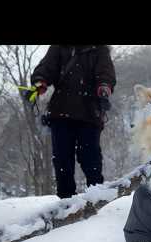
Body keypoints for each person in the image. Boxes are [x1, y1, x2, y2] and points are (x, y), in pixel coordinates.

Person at [30, 45, 116, 198]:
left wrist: (104, 88)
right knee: (62, 159)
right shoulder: (59, 47)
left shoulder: (99, 49)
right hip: (61, 112)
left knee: (91, 158)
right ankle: (65, 199)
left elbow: (106, 73)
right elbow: (46, 68)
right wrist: (39, 83)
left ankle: (96, 198)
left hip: (89, 113)